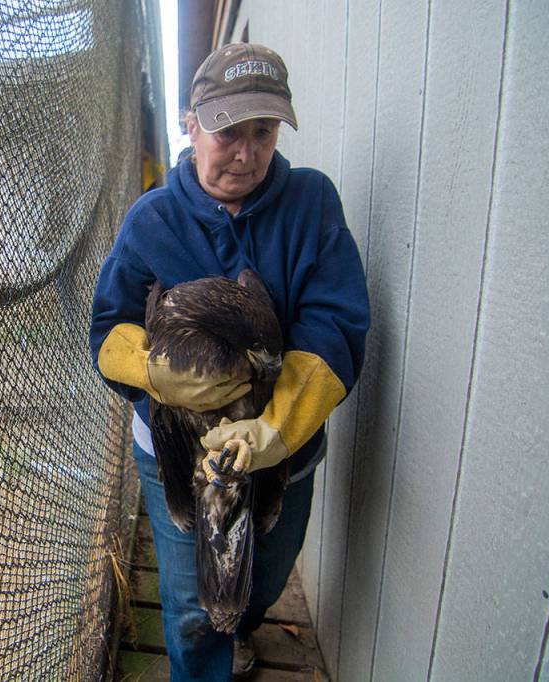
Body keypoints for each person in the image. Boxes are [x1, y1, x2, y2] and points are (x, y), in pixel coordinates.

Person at [88, 43, 370, 680]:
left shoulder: (311, 204)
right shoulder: (152, 218)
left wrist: (276, 429)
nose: (245, 153)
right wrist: (152, 371)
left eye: (263, 133)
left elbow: (335, 323)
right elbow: (108, 326)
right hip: (174, 446)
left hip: (284, 446)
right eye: (227, 133)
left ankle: (241, 628)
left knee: (263, 575)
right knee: (193, 606)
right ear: (190, 124)